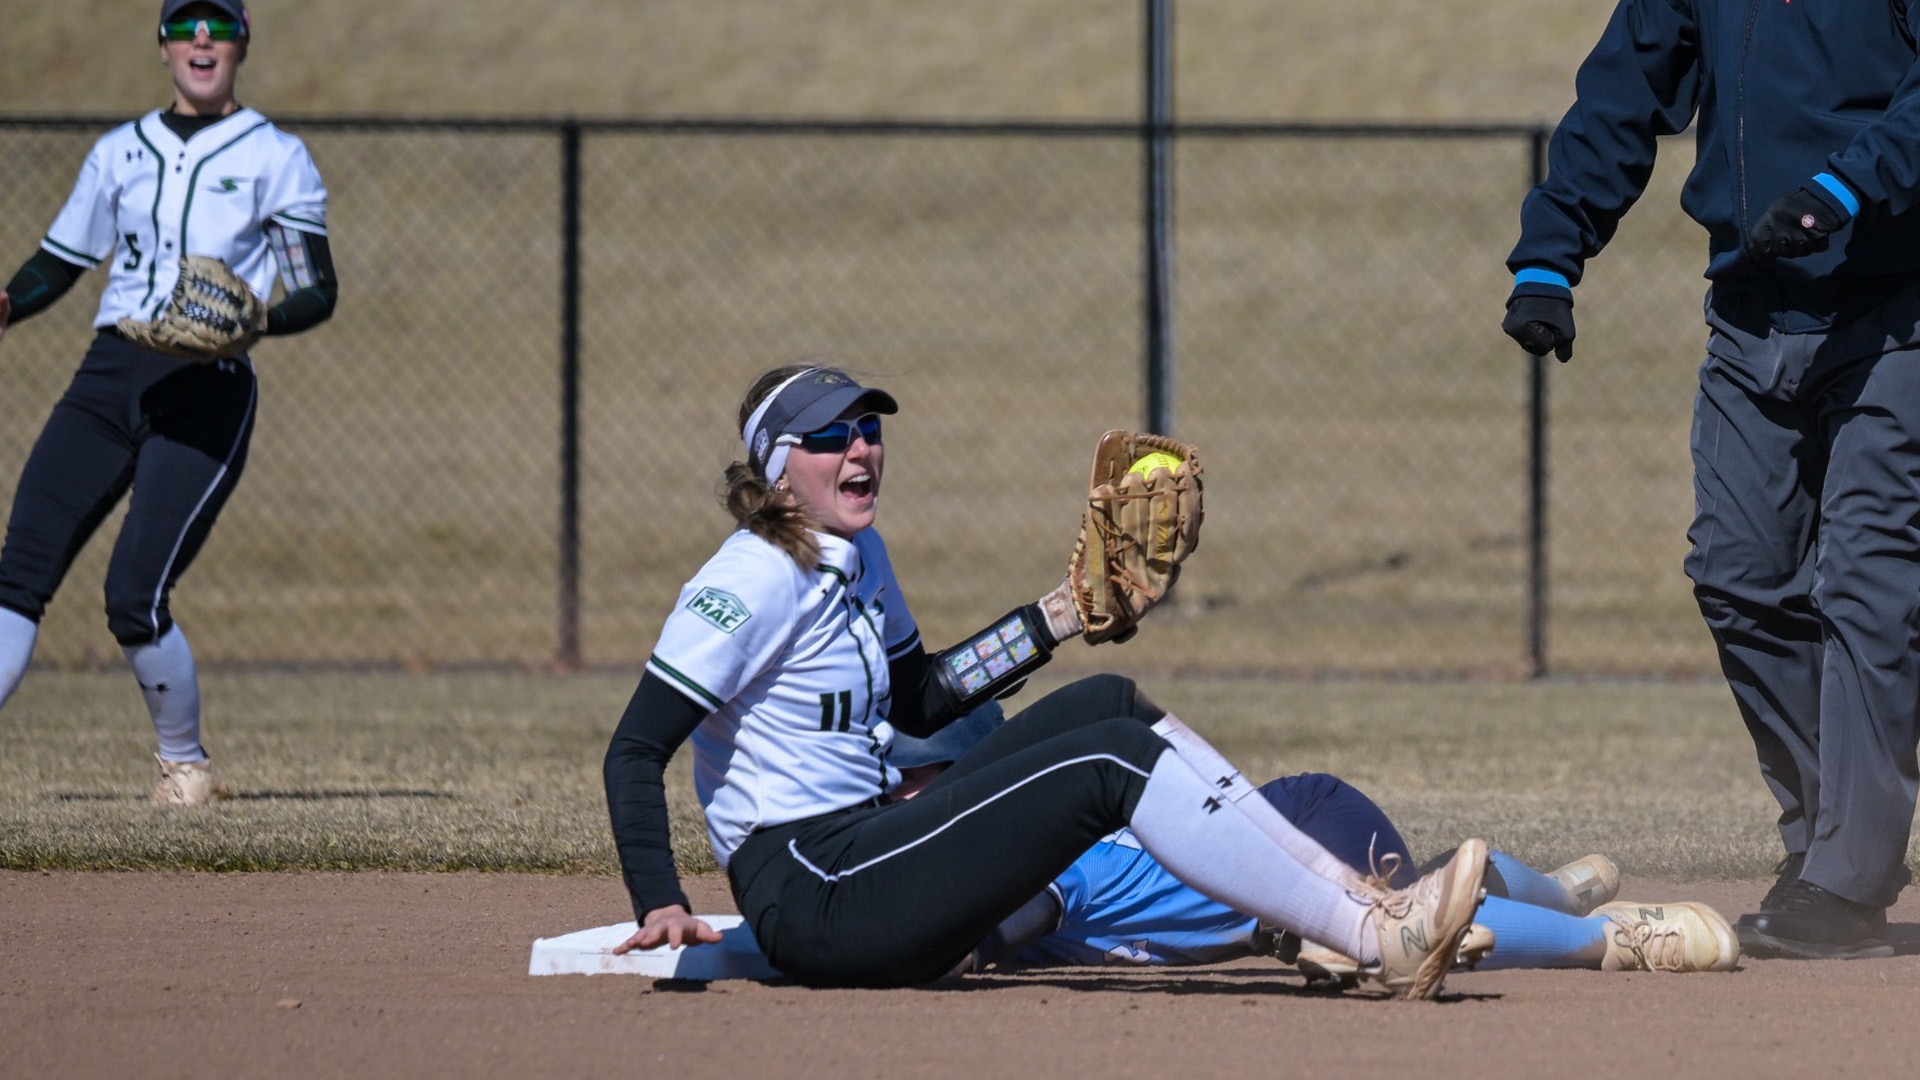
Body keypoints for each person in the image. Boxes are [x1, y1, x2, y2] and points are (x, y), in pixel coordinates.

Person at [603, 363, 1492, 998]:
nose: (862, 448)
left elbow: (921, 698)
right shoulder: (747, 577)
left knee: (1111, 706)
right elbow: (635, 750)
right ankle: (1378, 939)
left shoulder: (857, 553)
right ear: (775, 468)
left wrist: (1059, 615)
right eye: (831, 437)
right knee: (1108, 764)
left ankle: (1356, 907)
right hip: (813, 889)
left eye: (870, 429)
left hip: (871, 853)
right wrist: (661, 901)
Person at [1499, 0, 1920, 959]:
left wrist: (1848, 188)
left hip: (1898, 309)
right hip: (1750, 313)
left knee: (1865, 582)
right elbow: (1623, 89)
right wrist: (1550, 258)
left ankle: (1845, 884)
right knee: (1737, 573)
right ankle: (1828, 840)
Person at [0, 0, 336, 804]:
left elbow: (316, 287)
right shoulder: (120, 152)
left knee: (134, 595)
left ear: (240, 45)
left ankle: (184, 765)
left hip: (208, 384)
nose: (201, 40)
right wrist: (9, 302)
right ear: (162, 46)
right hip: (110, 372)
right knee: (18, 575)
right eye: (186, 26)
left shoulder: (273, 156)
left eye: (217, 28)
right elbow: (61, 259)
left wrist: (258, 319)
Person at [890, 705, 1741, 980]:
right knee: (1417, 906)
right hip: (1294, 837)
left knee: (1390, 939)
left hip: (1309, 824)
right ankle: (1548, 886)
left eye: (918, 779)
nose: (900, 796)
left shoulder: (1032, 852)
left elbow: (991, 930)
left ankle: (1617, 936)